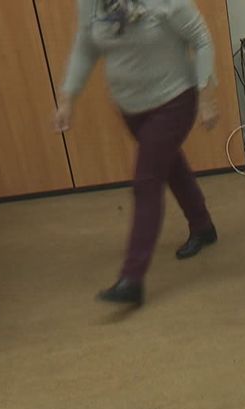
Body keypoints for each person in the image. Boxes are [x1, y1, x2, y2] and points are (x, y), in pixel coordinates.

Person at [56, 0, 222, 308]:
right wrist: (68, 97)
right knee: (169, 164)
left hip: (174, 99)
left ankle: (132, 279)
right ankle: (203, 226)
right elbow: (86, 46)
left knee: (147, 181)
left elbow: (200, 38)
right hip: (129, 106)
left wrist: (206, 95)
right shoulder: (91, 4)